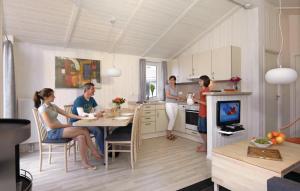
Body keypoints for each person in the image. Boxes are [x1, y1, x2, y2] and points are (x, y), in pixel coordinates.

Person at [33, 88, 101, 170]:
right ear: (46, 97)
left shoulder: (52, 106)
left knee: (81, 137)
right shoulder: (42, 109)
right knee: (84, 130)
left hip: (60, 129)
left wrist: (81, 117)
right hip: (53, 132)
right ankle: (94, 151)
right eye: (52, 95)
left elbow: (67, 114)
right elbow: (51, 126)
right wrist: (67, 125)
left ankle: (85, 163)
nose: (54, 97)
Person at [70, 82, 105, 155]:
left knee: (103, 129)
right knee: (97, 130)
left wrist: (101, 111)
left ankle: (105, 148)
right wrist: (95, 114)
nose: (94, 90)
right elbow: (81, 114)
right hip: (77, 123)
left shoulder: (91, 99)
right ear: (87, 90)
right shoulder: (79, 100)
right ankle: (104, 152)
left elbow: (97, 109)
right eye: (92, 89)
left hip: (87, 122)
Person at [193, 75, 210, 152]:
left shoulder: (206, 90)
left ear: (205, 81)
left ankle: (206, 147)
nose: (199, 82)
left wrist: (197, 100)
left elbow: (208, 103)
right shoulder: (202, 90)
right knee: (201, 130)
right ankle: (205, 145)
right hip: (201, 112)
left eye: (200, 81)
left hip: (204, 113)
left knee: (203, 131)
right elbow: (203, 100)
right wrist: (196, 100)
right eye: (199, 81)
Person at [165, 75, 183, 140]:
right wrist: (176, 97)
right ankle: (168, 134)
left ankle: (170, 133)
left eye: (173, 80)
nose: (171, 81)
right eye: (170, 80)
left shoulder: (177, 87)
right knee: (172, 118)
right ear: (169, 80)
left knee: (173, 119)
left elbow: (178, 96)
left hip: (175, 104)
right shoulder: (167, 86)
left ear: (175, 81)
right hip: (169, 104)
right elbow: (167, 95)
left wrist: (180, 97)